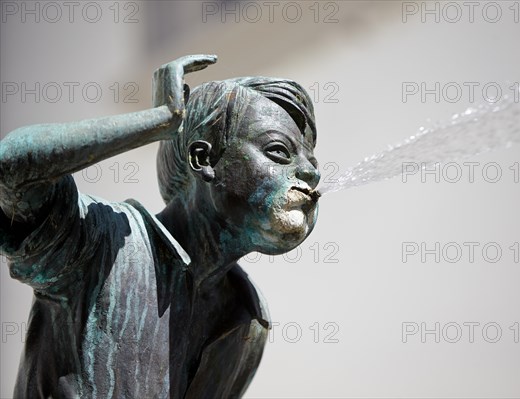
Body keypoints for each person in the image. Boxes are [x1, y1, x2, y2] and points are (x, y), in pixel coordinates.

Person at [0, 55, 320, 398]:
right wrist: (159, 122)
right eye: (278, 151)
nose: (311, 173)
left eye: (311, 162)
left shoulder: (247, 318)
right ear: (203, 159)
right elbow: (11, 168)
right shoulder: (101, 241)